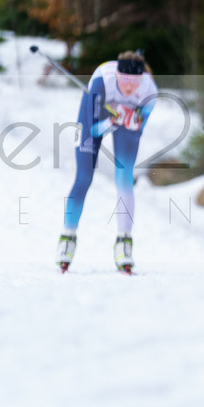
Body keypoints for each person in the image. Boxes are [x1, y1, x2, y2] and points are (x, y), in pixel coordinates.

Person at [55, 51, 157, 272]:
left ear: (142, 79)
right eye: (124, 80)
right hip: (97, 114)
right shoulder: (103, 80)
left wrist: (131, 119)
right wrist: (110, 121)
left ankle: (124, 243)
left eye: (135, 82)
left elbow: (139, 125)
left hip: (124, 119)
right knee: (84, 177)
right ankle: (67, 238)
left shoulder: (149, 91)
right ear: (117, 76)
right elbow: (93, 127)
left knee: (124, 178)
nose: (129, 87)